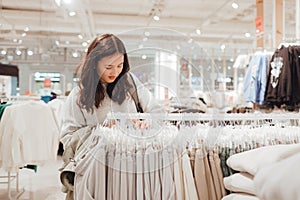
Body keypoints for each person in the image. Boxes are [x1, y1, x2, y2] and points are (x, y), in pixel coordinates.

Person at [59, 33, 163, 200]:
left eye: (120, 65)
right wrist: (103, 131)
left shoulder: (130, 83)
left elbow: (156, 111)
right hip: (93, 170)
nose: (115, 71)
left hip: (131, 165)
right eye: (108, 67)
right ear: (94, 63)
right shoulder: (80, 94)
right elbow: (68, 136)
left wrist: (146, 120)